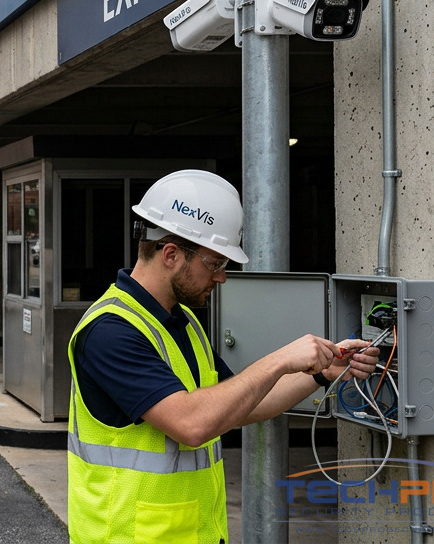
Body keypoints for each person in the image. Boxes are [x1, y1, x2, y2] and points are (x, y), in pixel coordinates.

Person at [67, 169, 379, 544]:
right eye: (214, 264)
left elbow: (242, 405)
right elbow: (192, 424)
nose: (222, 278)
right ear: (171, 255)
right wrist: (280, 359)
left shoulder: (181, 324)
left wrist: (326, 373)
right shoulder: (111, 332)